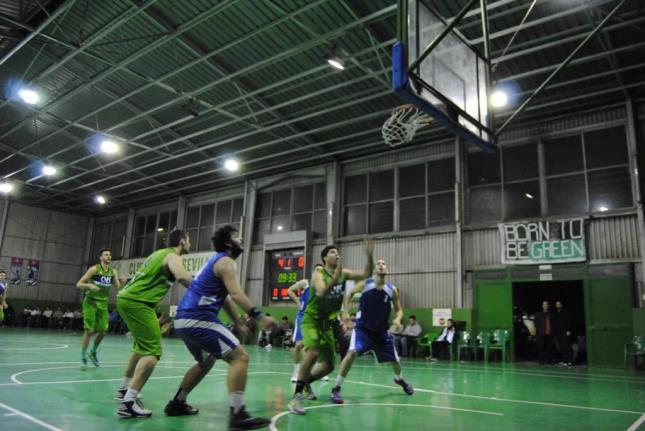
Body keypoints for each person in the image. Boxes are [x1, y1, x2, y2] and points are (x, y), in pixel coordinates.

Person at [164, 224, 276, 430]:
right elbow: (236, 294)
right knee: (240, 357)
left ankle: (177, 403)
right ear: (227, 242)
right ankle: (237, 415)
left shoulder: (215, 263)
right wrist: (259, 316)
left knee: (205, 361)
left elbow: (225, 299)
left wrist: (239, 322)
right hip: (199, 318)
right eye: (236, 236)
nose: (241, 238)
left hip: (182, 320)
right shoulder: (226, 262)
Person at [289, 238, 374, 416]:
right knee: (312, 351)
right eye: (333, 252)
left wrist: (369, 256)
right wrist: (334, 279)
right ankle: (295, 397)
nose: (337, 254)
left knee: (328, 366)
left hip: (327, 324)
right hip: (311, 320)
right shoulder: (318, 272)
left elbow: (366, 273)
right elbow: (321, 292)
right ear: (325, 258)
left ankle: (306, 383)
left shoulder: (344, 273)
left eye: (338, 252)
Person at [115, 228, 193, 418]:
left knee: (140, 348)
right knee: (153, 352)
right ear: (182, 241)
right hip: (139, 302)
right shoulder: (173, 256)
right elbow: (183, 277)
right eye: (189, 240)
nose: (190, 243)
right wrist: (204, 288)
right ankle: (129, 403)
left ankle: (125, 389)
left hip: (126, 299)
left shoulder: (157, 254)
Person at [330, 259, 413, 404]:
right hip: (363, 330)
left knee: (395, 362)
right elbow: (349, 293)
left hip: (381, 332)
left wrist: (398, 320)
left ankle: (400, 380)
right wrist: (345, 313)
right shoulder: (366, 284)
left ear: (387, 269)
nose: (381, 265)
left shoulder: (391, 289)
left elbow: (399, 310)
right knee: (352, 353)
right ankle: (336, 388)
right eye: (378, 264)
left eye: (384, 263)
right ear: (374, 270)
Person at [76, 248, 122, 368]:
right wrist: (89, 285)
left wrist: (118, 279)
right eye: (106, 255)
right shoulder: (94, 269)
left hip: (103, 303)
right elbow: (79, 284)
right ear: (101, 258)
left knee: (102, 331)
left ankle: (93, 352)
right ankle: (83, 357)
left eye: (110, 255)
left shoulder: (113, 271)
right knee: (89, 330)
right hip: (90, 302)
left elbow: (117, 286)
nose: (109, 256)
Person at [534, 300, 555, 365]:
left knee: (549, 348)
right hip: (541, 334)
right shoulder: (538, 314)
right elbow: (535, 323)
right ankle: (541, 361)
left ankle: (549, 361)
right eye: (544, 304)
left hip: (549, 334)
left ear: (548, 306)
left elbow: (554, 324)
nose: (545, 305)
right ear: (542, 306)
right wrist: (539, 330)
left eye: (546, 304)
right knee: (541, 348)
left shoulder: (551, 314)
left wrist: (553, 331)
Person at [554, 300, 573, 366]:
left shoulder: (565, 312)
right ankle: (565, 361)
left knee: (567, 346)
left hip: (565, 331)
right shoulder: (556, 313)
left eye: (559, 304)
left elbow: (568, 321)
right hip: (558, 332)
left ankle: (570, 361)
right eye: (556, 304)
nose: (557, 305)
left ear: (561, 305)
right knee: (562, 347)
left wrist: (568, 330)